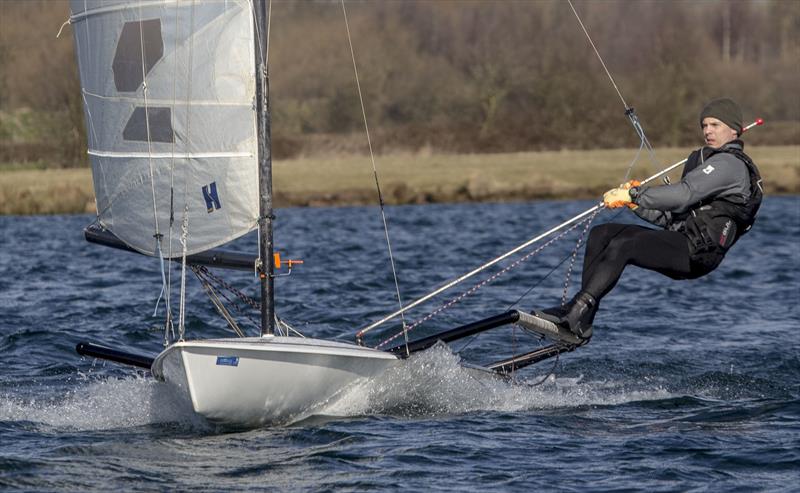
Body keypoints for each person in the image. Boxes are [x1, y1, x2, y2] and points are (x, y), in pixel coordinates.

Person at [536, 98, 762, 340]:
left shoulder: (730, 164)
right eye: (704, 125)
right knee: (603, 234)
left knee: (625, 244)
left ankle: (576, 313)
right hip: (681, 239)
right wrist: (634, 203)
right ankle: (582, 318)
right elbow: (671, 218)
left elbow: (683, 195)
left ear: (734, 129)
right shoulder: (710, 163)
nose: (707, 131)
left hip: (698, 253)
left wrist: (636, 193)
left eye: (715, 125)